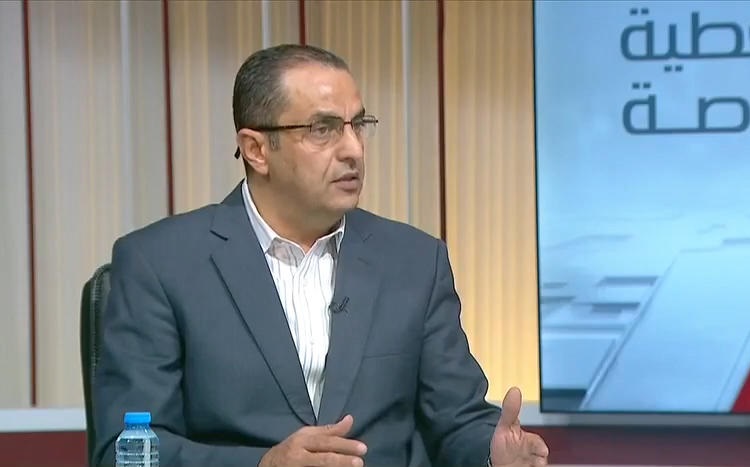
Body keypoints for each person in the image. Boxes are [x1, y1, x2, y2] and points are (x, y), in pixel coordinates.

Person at [93, 44, 549, 467]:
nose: (353, 149)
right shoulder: (161, 264)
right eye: (323, 129)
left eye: (358, 125)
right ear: (256, 150)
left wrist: (493, 454)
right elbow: (125, 450)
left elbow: (457, 420)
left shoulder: (414, 261)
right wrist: (262, 465)